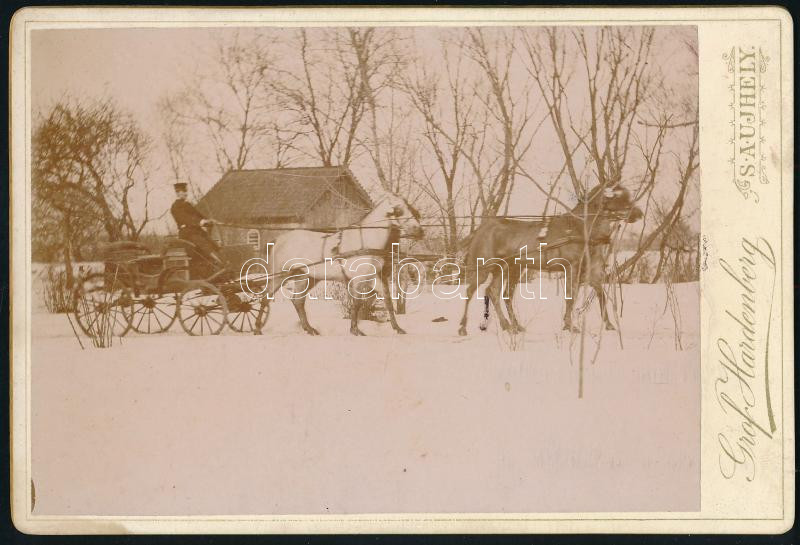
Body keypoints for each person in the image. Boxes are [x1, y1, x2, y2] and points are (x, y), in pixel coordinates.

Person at [169, 182, 225, 270]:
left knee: (213, 243)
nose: (186, 193)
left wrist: (209, 221)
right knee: (203, 244)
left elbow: (199, 216)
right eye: (183, 191)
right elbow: (186, 219)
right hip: (187, 233)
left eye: (186, 191)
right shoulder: (175, 207)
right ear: (177, 192)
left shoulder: (187, 205)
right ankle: (219, 263)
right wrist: (202, 222)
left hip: (196, 231)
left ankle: (220, 262)